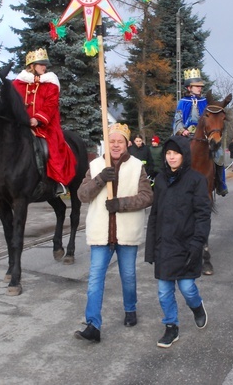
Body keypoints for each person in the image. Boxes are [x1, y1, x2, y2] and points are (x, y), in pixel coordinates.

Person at [74, 123, 154, 343]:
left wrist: (121, 203)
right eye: (112, 141)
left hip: (126, 232)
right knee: (95, 279)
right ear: (106, 143)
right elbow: (82, 195)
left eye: (120, 141)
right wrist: (100, 179)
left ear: (127, 144)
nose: (116, 145)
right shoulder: (96, 165)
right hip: (101, 232)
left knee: (128, 276)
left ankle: (130, 309)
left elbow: (147, 196)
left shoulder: (138, 166)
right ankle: (93, 325)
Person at [145, 135, 211, 348]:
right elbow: (154, 214)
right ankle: (171, 327)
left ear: (184, 155)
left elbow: (203, 215)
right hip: (165, 244)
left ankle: (197, 307)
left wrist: (197, 243)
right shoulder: (161, 180)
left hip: (187, 245)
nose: (171, 157)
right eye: (168, 153)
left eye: (176, 153)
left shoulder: (197, 180)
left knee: (187, 288)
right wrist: (150, 247)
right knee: (164, 291)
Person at [12, 48, 76, 194]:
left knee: (52, 148)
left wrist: (38, 119)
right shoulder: (17, 84)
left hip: (44, 127)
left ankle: (56, 182)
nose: (44, 67)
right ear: (32, 66)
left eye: (45, 64)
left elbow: (51, 104)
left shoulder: (51, 83)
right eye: (41, 64)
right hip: (21, 126)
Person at [173, 68, 228, 196]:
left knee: (219, 154)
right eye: (196, 86)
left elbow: (212, 118)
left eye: (200, 86)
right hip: (185, 135)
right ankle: (172, 182)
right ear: (189, 88)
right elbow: (177, 119)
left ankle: (221, 183)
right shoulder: (182, 102)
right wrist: (182, 130)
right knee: (172, 153)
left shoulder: (205, 102)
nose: (199, 88)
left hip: (204, 136)